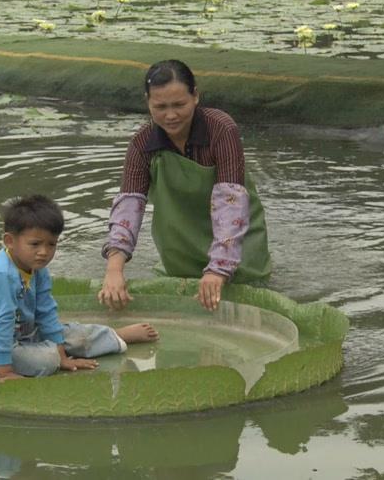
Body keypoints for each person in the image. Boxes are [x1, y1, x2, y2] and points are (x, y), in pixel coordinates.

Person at [98, 59, 271, 312]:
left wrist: (218, 269)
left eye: (179, 105)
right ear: (148, 102)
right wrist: (114, 269)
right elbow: (129, 206)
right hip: (180, 251)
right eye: (160, 106)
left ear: (196, 96)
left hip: (236, 247)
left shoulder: (220, 129)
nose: (170, 115)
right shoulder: (141, 143)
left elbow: (231, 203)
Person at [0, 194, 159, 381]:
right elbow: (0, 324)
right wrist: (5, 372)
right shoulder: (1, 275)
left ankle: (114, 336)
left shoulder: (38, 269)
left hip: (27, 334)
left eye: (51, 244)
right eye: (35, 244)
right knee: (48, 360)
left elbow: (46, 312)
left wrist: (63, 356)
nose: (44, 252)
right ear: (10, 241)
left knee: (73, 334)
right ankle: (63, 350)